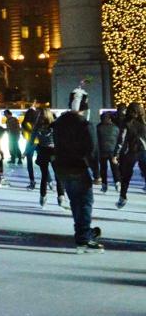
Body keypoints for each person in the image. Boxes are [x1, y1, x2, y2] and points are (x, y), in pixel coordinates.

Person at [52, 89, 103, 253]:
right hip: (78, 167)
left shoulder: (60, 122)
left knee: (76, 201)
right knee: (85, 202)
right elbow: (92, 150)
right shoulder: (84, 124)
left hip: (62, 166)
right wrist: (97, 173)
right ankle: (83, 238)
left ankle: (83, 232)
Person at [33, 108, 68, 209]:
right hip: (53, 151)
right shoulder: (55, 126)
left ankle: (43, 196)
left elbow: (31, 140)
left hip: (43, 151)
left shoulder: (38, 127)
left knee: (44, 175)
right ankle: (61, 196)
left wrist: (27, 150)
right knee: (58, 174)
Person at [113, 102, 146, 209]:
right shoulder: (144, 122)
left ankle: (123, 197)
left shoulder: (126, 122)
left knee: (126, 176)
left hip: (131, 151)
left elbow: (121, 139)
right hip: (143, 150)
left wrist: (116, 154)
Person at [97, 112, 121, 194]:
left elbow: (96, 140)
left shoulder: (98, 127)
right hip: (113, 151)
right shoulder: (115, 127)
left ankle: (104, 185)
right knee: (115, 168)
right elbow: (119, 139)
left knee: (103, 169)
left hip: (102, 151)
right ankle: (117, 183)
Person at [22, 101, 40, 188]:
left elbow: (26, 126)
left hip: (31, 141)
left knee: (29, 162)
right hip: (39, 141)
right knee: (43, 162)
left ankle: (32, 181)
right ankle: (50, 181)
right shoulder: (38, 114)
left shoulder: (28, 118)